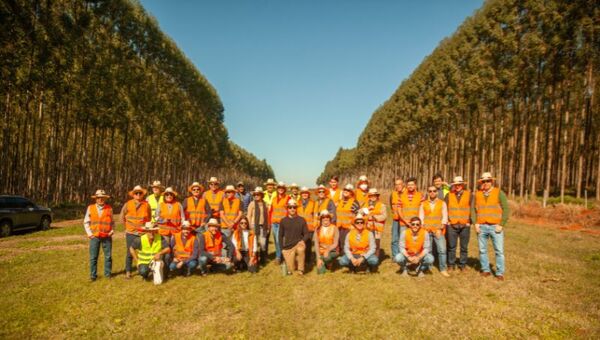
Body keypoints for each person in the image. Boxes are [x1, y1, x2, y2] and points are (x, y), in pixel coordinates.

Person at [472, 172, 510, 281]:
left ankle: (499, 273)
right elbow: (473, 210)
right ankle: (485, 270)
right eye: (483, 181)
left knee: (499, 251)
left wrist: (501, 224)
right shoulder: (477, 194)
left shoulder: (499, 193)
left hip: (495, 227)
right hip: (482, 227)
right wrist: (475, 223)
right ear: (481, 182)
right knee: (482, 250)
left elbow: (506, 209)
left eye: (488, 181)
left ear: (491, 181)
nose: (486, 183)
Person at [120, 185, 152, 279]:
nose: (138, 194)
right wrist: (127, 227)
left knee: (145, 251)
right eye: (136, 193)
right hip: (131, 232)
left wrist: (146, 229)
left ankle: (146, 269)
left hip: (143, 232)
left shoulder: (147, 205)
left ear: (142, 195)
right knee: (129, 252)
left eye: (140, 193)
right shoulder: (128, 204)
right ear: (133, 195)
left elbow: (149, 218)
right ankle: (128, 271)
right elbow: (121, 217)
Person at [84, 189, 114, 281]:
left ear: (105, 199)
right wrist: (90, 234)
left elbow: (112, 222)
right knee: (93, 257)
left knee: (108, 257)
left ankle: (107, 274)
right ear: (96, 199)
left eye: (102, 198)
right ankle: (93, 276)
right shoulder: (90, 208)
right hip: (95, 237)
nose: (100, 199)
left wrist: (112, 230)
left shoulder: (109, 208)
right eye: (98, 198)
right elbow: (86, 222)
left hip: (107, 237)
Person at [419, 185, 450, 277]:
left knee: (442, 250)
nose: (432, 192)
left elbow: (445, 217)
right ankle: (429, 267)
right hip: (427, 230)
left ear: (437, 192)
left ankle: (443, 269)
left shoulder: (442, 203)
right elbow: (421, 217)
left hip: (438, 230)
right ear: (428, 192)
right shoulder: (423, 204)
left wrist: (440, 229)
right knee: (428, 250)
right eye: (430, 191)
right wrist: (424, 228)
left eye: (434, 191)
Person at [445, 176, 472, 271]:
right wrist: (447, 221)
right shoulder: (449, 195)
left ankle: (462, 265)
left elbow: (472, 209)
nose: (457, 186)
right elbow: (445, 209)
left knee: (464, 247)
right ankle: (451, 264)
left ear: (462, 185)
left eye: (459, 184)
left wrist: (470, 221)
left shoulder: (469, 195)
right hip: (452, 224)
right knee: (451, 246)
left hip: (465, 225)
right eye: (456, 185)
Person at [155, 187, 185, 270]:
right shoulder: (160, 205)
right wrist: (164, 220)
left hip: (175, 232)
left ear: (173, 196)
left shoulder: (178, 204)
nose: (169, 196)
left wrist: (182, 228)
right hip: (164, 232)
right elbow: (156, 217)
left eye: (170, 194)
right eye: (167, 194)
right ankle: (165, 268)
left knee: (176, 250)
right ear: (164, 196)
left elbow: (182, 217)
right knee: (166, 250)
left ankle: (176, 267)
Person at [279, 199, 310, 275]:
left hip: (298, 244)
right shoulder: (283, 220)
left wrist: (302, 241)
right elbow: (280, 236)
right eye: (290, 207)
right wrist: (282, 249)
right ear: (287, 208)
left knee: (301, 249)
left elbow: (306, 234)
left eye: (294, 207)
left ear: (296, 208)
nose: (292, 209)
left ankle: (301, 270)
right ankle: (293, 263)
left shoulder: (302, 220)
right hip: (288, 247)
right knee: (291, 270)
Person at [247, 187, 270, 264]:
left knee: (263, 244)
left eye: (258, 194)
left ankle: (263, 259)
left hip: (263, 226)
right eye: (255, 195)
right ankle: (255, 259)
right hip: (254, 226)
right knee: (255, 243)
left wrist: (268, 227)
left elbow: (267, 216)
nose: (256, 196)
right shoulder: (252, 204)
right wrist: (249, 226)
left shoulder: (265, 204)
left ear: (261, 195)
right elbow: (248, 216)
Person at [313, 210, 339, 274]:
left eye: (327, 217)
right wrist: (318, 258)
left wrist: (327, 250)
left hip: (332, 251)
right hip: (321, 252)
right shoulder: (317, 229)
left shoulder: (334, 228)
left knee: (327, 258)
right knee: (320, 272)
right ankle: (322, 261)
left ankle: (329, 263)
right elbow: (316, 245)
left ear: (330, 218)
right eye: (323, 217)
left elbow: (336, 243)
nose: (325, 219)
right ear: (321, 219)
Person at [336, 184, 360, 252]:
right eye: (345, 190)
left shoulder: (354, 202)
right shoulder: (340, 201)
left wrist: (354, 226)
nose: (346, 191)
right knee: (339, 244)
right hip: (339, 227)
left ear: (351, 192)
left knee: (346, 245)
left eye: (348, 190)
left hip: (349, 228)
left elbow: (358, 216)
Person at [270, 182, 289, 264]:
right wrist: (270, 221)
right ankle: (280, 256)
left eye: (282, 187)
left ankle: (279, 257)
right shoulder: (274, 199)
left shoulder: (288, 198)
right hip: (274, 223)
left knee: (279, 241)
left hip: (282, 223)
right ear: (277, 189)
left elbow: (290, 210)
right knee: (276, 241)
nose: (280, 189)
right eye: (279, 188)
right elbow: (271, 211)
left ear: (284, 189)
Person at [365, 188, 387, 259]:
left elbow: (384, 216)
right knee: (368, 245)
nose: (373, 197)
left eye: (374, 195)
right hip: (368, 228)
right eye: (371, 196)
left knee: (376, 245)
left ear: (377, 196)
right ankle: (368, 261)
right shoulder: (365, 205)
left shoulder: (382, 205)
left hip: (377, 229)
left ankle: (375, 260)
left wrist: (375, 217)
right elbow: (361, 214)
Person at [297, 186, 316, 264]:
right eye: (303, 193)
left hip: (309, 227)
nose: (304, 194)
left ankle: (308, 260)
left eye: (306, 193)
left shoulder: (313, 203)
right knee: (300, 244)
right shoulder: (298, 203)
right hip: (299, 227)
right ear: (301, 194)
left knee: (308, 245)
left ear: (308, 194)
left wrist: (315, 225)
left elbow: (315, 215)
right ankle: (301, 259)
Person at [390, 178, 405, 259]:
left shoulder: (407, 193)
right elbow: (391, 205)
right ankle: (395, 255)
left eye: (399, 184)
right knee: (394, 238)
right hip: (395, 219)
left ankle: (402, 255)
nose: (398, 186)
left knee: (403, 238)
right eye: (396, 184)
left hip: (404, 219)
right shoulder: (393, 194)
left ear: (403, 184)